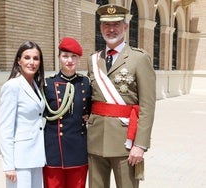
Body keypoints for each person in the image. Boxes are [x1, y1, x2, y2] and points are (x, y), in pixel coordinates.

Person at [87, 4, 156, 188]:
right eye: (106, 25)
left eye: (116, 24)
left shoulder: (139, 58)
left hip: (126, 143)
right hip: (96, 140)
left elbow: (148, 106)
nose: (111, 29)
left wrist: (140, 145)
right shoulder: (93, 60)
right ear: (100, 27)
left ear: (125, 26)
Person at [42, 37, 91, 188]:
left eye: (74, 56)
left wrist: (90, 116)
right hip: (54, 148)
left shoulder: (86, 83)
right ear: (59, 58)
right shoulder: (46, 84)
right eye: (65, 56)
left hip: (78, 148)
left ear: (79, 59)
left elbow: (93, 108)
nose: (69, 60)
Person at [0, 40, 46, 188]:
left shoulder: (36, 86)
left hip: (36, 156)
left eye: (36, 58)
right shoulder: (12, 86)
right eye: (27, 57)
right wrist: (9, 165)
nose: (31, 62)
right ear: (18, 61)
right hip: (20, 159)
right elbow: (5, 128)